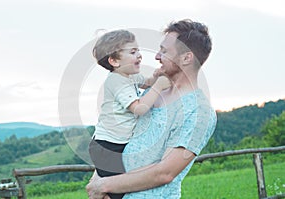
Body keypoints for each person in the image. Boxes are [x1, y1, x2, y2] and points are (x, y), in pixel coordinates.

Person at [86, 19, 217, 199]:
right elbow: (120, 138)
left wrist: (103, 185)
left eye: (164, 51)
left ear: (187, 58)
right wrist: (98, 181)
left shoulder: (199, 111)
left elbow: (165, 172)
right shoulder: (152, 92)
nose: (156, 56)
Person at [88, 30, 171, 199]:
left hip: (117, 145)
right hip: (107, 147)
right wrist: (159, 86)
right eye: (133, 52)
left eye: (138, 50)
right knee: (119, 191)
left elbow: (146, 83)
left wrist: (155, 77)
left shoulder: (129, 76)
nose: (139, 55)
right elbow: (139, 108)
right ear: (114, 61)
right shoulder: (116, 81)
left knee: (121, 189)